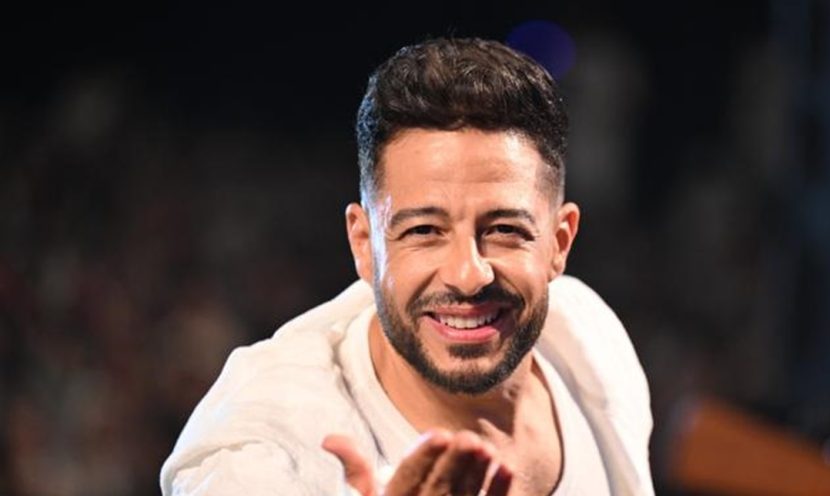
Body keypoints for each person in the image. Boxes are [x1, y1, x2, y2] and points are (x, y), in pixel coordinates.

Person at [160, 37, 653, 495]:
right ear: (363, 243)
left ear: (559, 242)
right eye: (424, 231)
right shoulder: (264, 457)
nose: (468, 275)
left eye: (504, 229)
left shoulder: (588, 337)